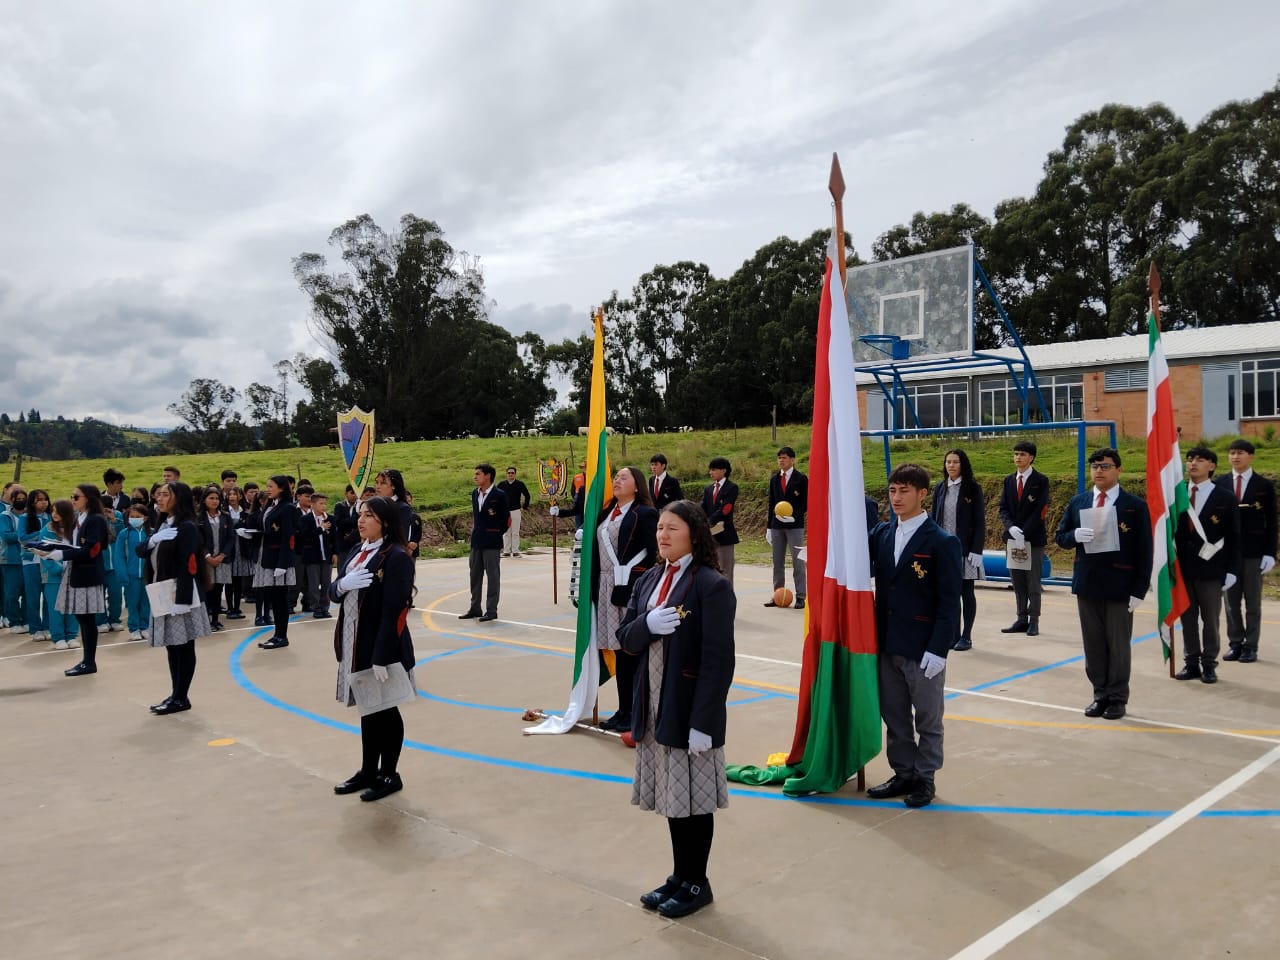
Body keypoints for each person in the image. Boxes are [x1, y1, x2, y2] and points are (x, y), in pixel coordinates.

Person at [617, 500, 734, 918]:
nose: (662, 535)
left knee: (694, 800)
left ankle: (697, 882)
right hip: (653, 704)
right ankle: (680, 875)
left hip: (688, 708)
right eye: (660, 528)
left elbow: (718, 660)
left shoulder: (710, 585)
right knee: (673, 795)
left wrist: (704, 721)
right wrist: (645, 625)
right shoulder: (649, 579)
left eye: (673, 528)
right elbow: (625, 639)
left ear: (694, 534)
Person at [865, 464, 962, 809]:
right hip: (888, 643)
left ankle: (925, 778)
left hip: (923, 647)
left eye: (905, 491)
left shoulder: (942, 542)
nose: (897, 498)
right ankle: (903, 772)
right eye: (892, 490)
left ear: (922, 494)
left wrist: (939, 649)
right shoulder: (882, 534)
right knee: (895, 717)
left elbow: (949, 602)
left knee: (928, 719)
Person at [329, 495, 417, 803]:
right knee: (368, 708)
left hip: (381, 645)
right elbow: (334, 591)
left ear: (385, 522)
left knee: (386, 710)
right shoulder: (357, 550)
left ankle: (389, 773)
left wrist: (382, 656)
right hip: (354, 641)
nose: (361, 520)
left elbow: (394, 611)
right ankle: (368, 770)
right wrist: (342, 585)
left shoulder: (396, 557)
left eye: (368, 515)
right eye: (361, 514)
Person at [1054, 448, 1153, 720]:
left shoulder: (1134, 506)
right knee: (1094, 644)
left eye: (1105, 466)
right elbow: (1060, 537)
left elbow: (1145, 550)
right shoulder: (1079, 502)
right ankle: (1100, 694)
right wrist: (1074, 535)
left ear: (1118, 469)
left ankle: (1118, 697)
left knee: (1118, 645)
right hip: (1088, 582)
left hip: (1121, 584)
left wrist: (1139, 589)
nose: (1099, 471)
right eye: (1095, 466)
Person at [589, 466, 659, 733]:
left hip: (630, 586)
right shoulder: (607, 513)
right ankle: (623, 709)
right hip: (606, 585)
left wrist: (643, 586)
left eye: (623, 477)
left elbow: (654, 552)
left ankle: (635, 712)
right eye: (615, 477)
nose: (617, 480)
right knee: (619, 652)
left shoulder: (645, 513)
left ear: (637, 486)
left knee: (631, 651)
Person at [143, 481, 211, 714]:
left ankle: (181, 697)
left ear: (178, 498)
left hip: (179, 592)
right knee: (172, 646)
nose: (159, 499)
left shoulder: (187, 526)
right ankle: (176, 693)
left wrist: (182, 601)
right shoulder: (163, 523)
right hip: (162, 590)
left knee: (183, 646)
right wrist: (153, 540)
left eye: (165, 495)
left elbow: (188, 565)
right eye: (158, 495)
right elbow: (141, 550)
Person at [1174, 448, 1240, 684]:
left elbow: (1234, 537)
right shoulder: (1177, 494)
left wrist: (1232, 570)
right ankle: (1191, 661)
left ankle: (1209, 663)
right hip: (1183, 568)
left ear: (1211, 466)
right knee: (1187, 619)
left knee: (1210, 620)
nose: (1193, 463)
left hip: (1211, 569)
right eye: (1190, 459)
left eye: (1200, 460)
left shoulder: (1225, 498)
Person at [1217, 438, 1276, 663]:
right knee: (1230, 603)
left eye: (1240, 453)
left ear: (1250, 456)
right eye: (1232, 453)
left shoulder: (1264, 486)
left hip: (1254, 553)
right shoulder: (1220, 483)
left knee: (1253, 603)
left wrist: (1270, 552)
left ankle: (1251, 645)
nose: (1235, 457)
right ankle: (1235, 643)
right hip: (1228, 553)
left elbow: (1272, 522)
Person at [47, 484, 111, 677]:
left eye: (76, 497)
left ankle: (89, 661)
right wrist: (54, 549)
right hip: (77, 571)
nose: (73, 500)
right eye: (72, 496)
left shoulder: (95, 520)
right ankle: (87, 660)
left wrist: (62, 555)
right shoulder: (81, 518)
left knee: (86, 618)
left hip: (87, 574)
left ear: (88, 498)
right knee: (82, 617)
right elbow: (75, 545)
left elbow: (92, 550)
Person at [930, 449, 986, 651]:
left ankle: (966, 636)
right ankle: (953, 635)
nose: (951, 465)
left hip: (965, 550)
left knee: (966, 592)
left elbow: (979, 521)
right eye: (948, 462)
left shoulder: (972, 488)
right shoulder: (940, 488)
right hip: (944, 550)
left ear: (963, 465)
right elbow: (934, 518)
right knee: (948, 594)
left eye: (955, 462)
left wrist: (977, 549)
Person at [998, 440, 1051, 636]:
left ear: (1031, 457)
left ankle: (1034, 619)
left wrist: (1024, 533)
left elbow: (1040, 510)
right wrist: (1011, 528)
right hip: (1013, 538)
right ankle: (1021, 618)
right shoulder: (1009, 480)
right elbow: (1003, 508)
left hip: (1032, 538)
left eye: (1022, 454)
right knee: (1018, 580)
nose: (1018, 457)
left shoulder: (1041, 481)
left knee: (1033, 582)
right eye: (1016, 454)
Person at [245, 475, 298, 650]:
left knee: (279, 599)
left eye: (271, 486)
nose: (267, 489)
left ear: (281, 488)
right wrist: (252, 534)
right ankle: (277, 634)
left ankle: (282, 635)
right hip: (266, 555)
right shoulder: (271, 505)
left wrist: (283, 563)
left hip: (278, 559)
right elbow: (267, 529)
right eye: (267, 486)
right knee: (273, 598)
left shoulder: (287, 508)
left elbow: (288, 536)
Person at [459, 464, 509, 623]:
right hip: (477, 541)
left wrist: (495, 532)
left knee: (492, 577)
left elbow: (506, 520)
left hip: (492, 542)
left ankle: (491, 610)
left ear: (487, 476)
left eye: (478, 474)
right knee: (475, 576)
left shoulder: (499, 495)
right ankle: (475, 608)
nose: (475, 477)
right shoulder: (475, 493)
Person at [765, 446, 807, 609]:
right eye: (779, 458)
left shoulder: (801, 479)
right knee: (777, 562)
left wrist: (794, 516)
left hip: (794, 526)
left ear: (792, 460)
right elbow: (771, 504)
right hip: (777, 526)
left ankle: (801, 596)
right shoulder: (774, 479)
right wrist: (769, 527)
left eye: (784, 457)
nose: (781, 460)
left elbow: (806, 503)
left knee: (798, 562)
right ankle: (778, 594)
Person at [38, 499, 80, 651]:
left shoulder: (76, 529)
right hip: (53, 577)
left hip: (73, 574)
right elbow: (44, 552)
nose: (54, 514)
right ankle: (58, 637)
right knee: (56, 608)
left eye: (58, 511)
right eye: (53, 511)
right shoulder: (47, 530)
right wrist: (58, 569)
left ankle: (72, 635)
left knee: (72, 607)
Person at [197, 485, 233, 631]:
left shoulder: (225, 516)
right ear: (204, 500)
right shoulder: (199, 517)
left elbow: (231, 538)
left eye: (217, 498)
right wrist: (207, 557)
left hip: (222, 560)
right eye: (211, 498)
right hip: (206, 560)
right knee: (207, 590)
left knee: (218, 591)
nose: (214, 501)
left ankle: (216, 620)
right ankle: (205, 620)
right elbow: (198, 540)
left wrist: (222, 555)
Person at [116, 502, 152, 640]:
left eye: (138, 516)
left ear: (145, 518)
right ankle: (134, 628)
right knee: (132, 602)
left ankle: (145, 626)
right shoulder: (124, 534)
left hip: (147, 575)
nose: (134, 519)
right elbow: (119, 556)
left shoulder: (151, 533)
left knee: (146, 602)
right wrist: (122, 574)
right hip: (131, 575)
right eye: (132, 516)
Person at [700, 457, 739, 584]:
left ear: (724, 470)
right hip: (710, 535)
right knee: (711, 569)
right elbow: (703, 507)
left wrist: (709, 522)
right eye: (710, 470)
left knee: (725, 570)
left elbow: (725, 510)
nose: (710, 472)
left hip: (724, 534)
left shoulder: (731, 487)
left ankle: (727, 595)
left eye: (714, 470)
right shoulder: (708, 489)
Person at [19, 490, 51, 640]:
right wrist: (42, 533)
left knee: (48, 596)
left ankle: (47, 626)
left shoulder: (50, 517)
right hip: (31, 562)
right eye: (40, 500)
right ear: (32, 502)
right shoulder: (24, 518)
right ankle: (35, 629)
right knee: (33, 597)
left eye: (45, 499)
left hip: (48, 561)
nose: (44, 502)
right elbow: (23, 538)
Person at [300, 492, 335, 619]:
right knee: (313, 584)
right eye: (321, 503)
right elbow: (305, 536)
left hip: (327, 556)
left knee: (326, 584)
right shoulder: (306, 519)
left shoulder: (330, 518)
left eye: (325, 503)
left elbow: (334, 538)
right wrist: (321, 528)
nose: (324, 506)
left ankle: (325, 608)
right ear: (313, 504)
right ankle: (316, 608)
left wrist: (335, 553)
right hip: (312, 556)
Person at [0, 484, 27, 633]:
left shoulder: (29, 516)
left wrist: (22, 536)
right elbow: (6, 536)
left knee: (28, 593)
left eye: (23, 499)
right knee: (11, 593)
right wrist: (24, 535)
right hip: (10, 560)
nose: (21, 501)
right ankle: (14, 621)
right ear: (11, 500)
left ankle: (27, 620)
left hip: (29, 559)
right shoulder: (5, 516)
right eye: (18, 499)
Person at [222, 486, 248, 620]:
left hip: (241, 548)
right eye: (229, 494)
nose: (232, 496)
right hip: (229, 548)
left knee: (238, 581)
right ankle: (229, 607)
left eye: (234, 494)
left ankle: (237, 607)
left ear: (240, 496)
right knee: (229, 581)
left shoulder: (245, 512)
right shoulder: (224, 512)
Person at [498, 466, 532, 557]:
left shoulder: (520, 484)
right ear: (506, 474)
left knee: (515, 532)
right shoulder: (501, 484)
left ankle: (515, 551)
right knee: (506, 532)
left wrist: (524, 507)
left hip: (516, 511)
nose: (510, 474)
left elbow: (527, 495)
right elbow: (496, 496)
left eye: (512, 473)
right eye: (509, 473)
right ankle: (506, 551)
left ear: (515, 474)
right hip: (504, 512)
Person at [374, 469, 415, 542]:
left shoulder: (402, 508)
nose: (377, 487)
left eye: (383, 483)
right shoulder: (375, 506)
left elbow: (401, 537)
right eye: (377, 482)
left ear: (393, 486)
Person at [334, 485, 361, 556]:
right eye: (352, 493)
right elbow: (338, 522)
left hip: (356, 542)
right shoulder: (339, 506)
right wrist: (355, 518)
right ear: (346, 494)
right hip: (342, 541)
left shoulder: (360, 506)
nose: (354, 495)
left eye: (357, 493)